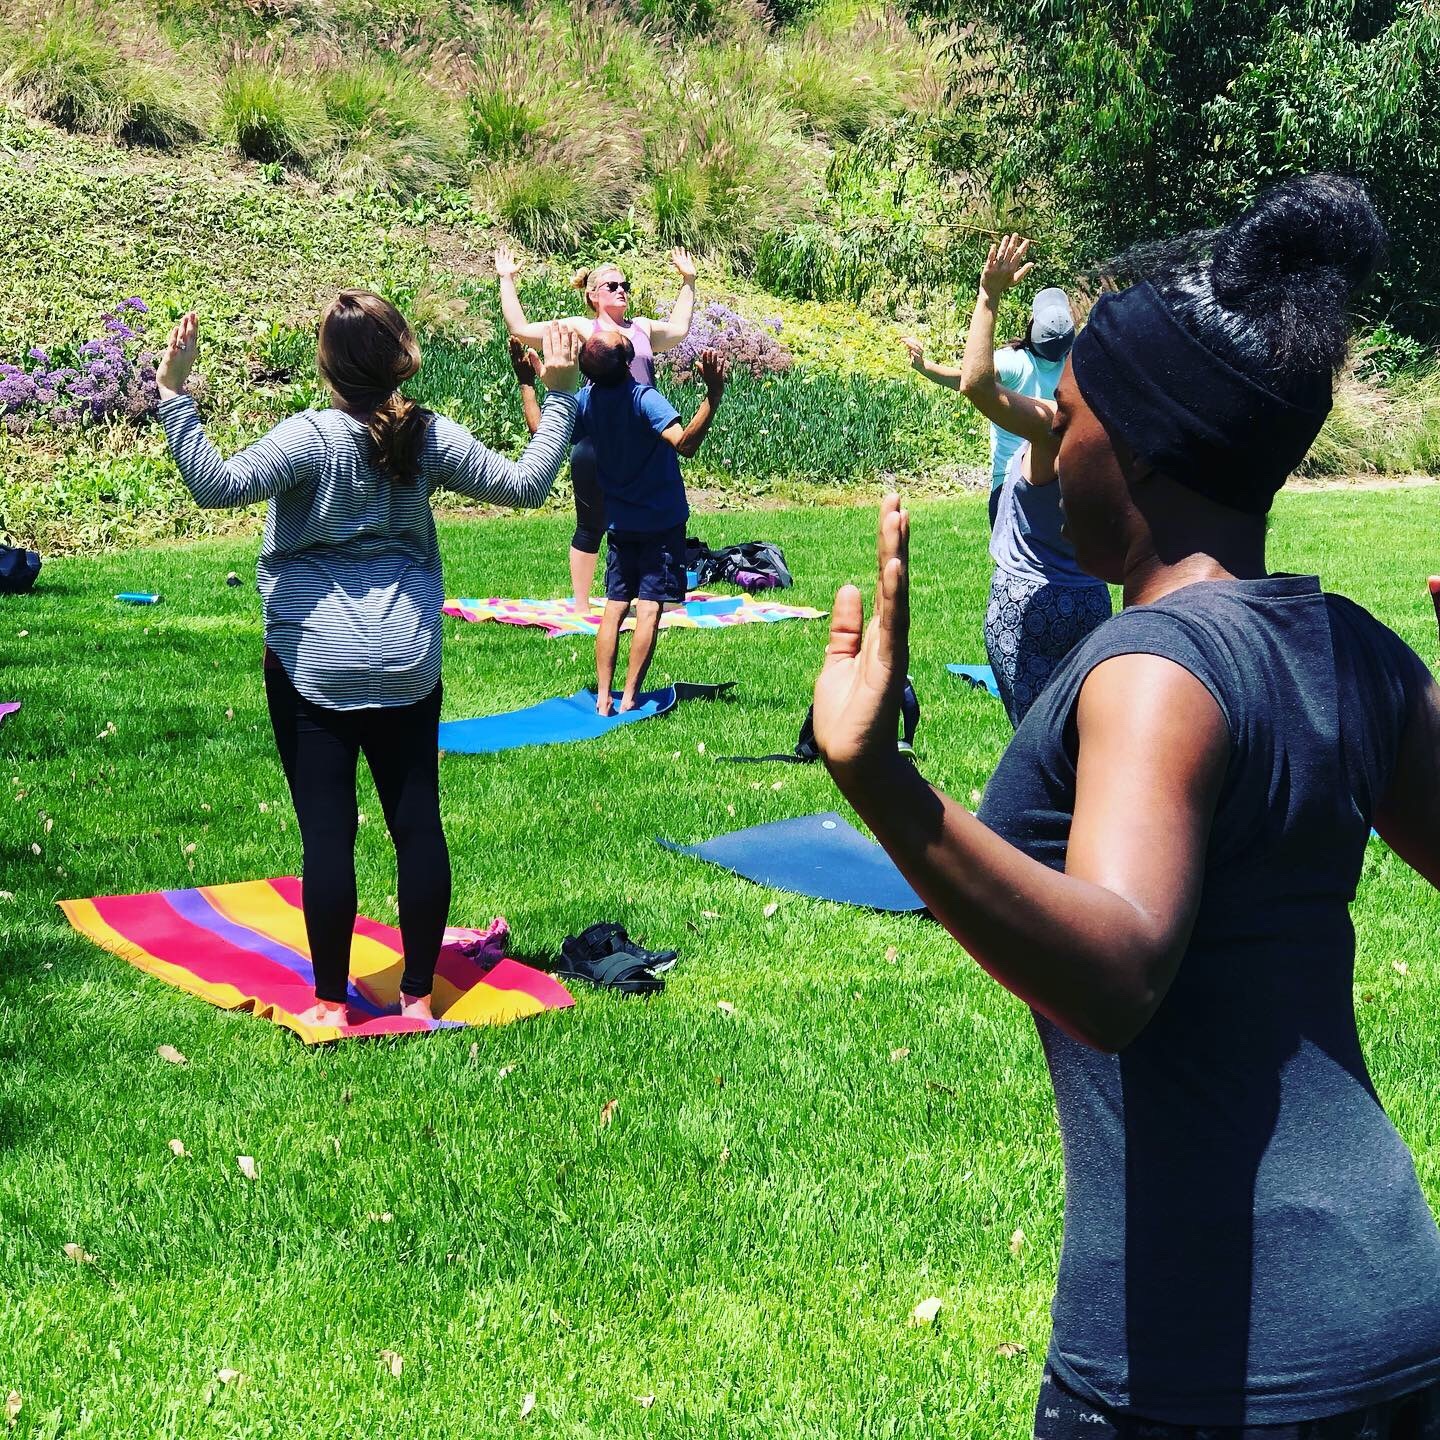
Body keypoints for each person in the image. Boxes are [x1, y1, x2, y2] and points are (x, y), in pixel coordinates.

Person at [813, 174, 1440, 1436]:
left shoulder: (1153, 670)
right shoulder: (1352, 648)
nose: (1053, 436)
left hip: (1209, 1363)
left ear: (1137, 449)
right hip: (1391, 1319)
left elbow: (1118, 973)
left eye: (1073, 413)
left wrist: (881, 781)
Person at [152, 295, 581, 1028]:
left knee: (328, 835)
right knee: (417, 826)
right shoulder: (427, 434)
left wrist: (173, 395)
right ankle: (417, 995)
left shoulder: (307, 438)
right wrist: (564, 397)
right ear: (401, 357)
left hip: (312, 663)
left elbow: (214, 486)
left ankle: (329, 1004)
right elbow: (525, 484)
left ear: (327, 366)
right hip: (407, 660)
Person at [909, 235, 1109, 727]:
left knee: (1036, 739)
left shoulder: (1048, 421)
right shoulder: (1111, 419)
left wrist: (988, 295)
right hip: (1093, 603)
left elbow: (973, 381)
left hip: (1031, 600)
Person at [494, 245, 699, 614]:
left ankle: (653, 598)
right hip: (596, 433)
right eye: (611, 285)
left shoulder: (642, 328)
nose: (621, 290)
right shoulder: (582, 328)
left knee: (649, 517)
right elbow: (521, 330)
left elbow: (681, 328)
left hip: (644, 439)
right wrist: (507, 279)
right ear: (592, 295)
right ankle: (582, 604)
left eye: (625, 284)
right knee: (592, 520)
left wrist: (688, 280)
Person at [573, 331, 727, 715]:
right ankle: (628, 698)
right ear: (628, 364)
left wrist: (527, 383)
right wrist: (713, 395)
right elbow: (686, 444)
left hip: (620, 524)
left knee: (614, 605)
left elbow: (540, 431)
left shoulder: (587, 400)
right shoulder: (643, 398)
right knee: (650, 608)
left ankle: (603, 699)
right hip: (661, 522)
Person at [904, 281, 1075, 527]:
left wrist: (924, 366)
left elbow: (966, 380)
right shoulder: (1075, 367)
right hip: (1058, 484)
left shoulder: (1013, 362)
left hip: (1010, 482)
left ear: (1032, 327)